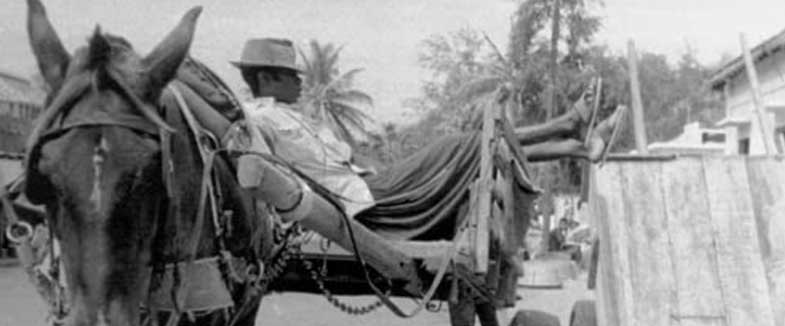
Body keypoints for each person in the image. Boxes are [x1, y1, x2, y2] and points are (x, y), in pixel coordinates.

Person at [230, 38, 627, 230]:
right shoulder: (256, 120)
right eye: (290, 77)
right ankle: (569, 134)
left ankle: (575, 141)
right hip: (354, 200)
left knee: (472, 145)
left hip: (368, 184)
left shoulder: (288, 114)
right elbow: (264, 170)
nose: (300, 83)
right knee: (465, 145)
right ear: (266, 78)